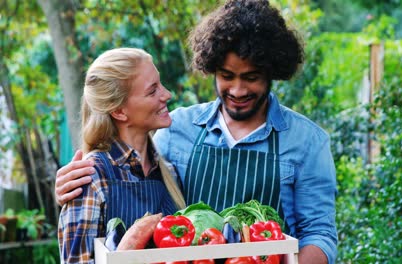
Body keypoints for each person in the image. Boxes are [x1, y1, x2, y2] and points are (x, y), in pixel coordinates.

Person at [55, 1, 338, 263]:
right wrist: (75, 189)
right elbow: (125, 169)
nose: (238, 90)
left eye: (251, 78)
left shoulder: (307, 141)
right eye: (227, 76)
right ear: (212, 69)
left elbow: (320, 235)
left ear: (272, 73)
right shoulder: (176, 129)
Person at [58, 48, 186, 263]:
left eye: (160, 84)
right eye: (152, 91)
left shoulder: (169, 173)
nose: (167, 94)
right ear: (119, 111)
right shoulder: (92, 178)